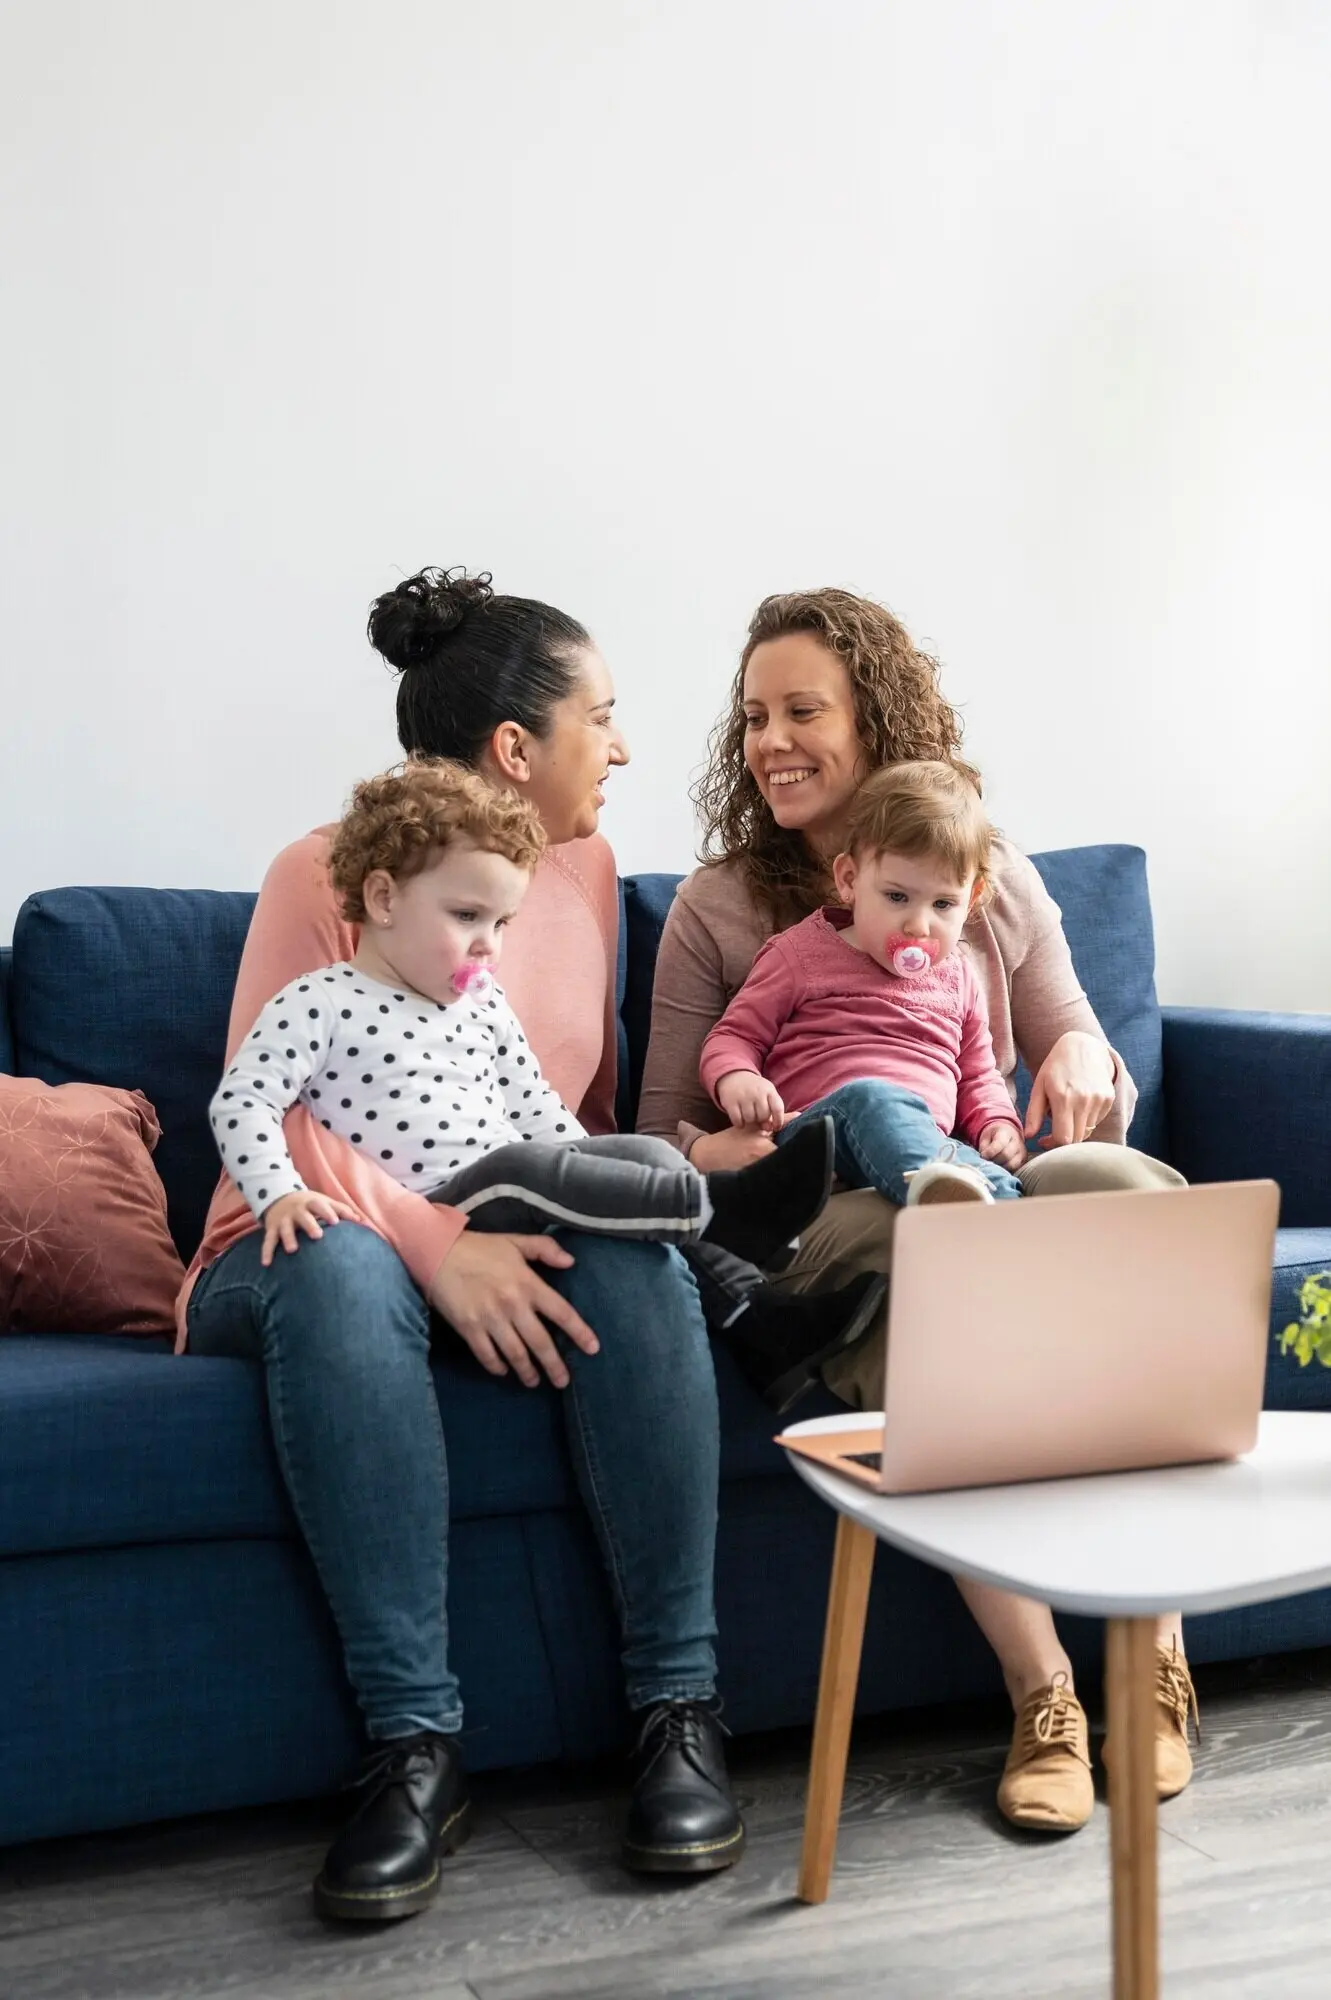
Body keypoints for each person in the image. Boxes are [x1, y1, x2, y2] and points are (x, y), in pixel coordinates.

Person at [184, 567, 778, 1927]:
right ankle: (414, 1745)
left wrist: (689, 1174)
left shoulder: (582, 876)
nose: (620, 748)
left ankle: (677, 1712)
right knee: (338, 1265)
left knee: (632, 1251)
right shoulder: (324, 873)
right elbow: (270, 1119)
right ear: (517, 746)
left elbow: (567, 1123)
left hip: (497, 1215)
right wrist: (439, 1247)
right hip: (298, 1230)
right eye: (600, 718)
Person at [637, 586, 1198, 1836]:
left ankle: (1152, 1653)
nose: (769, 741)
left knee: (1124, 1199)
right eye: (752, 717)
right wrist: (727, 1137)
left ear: (874, 716)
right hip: (823, 1198)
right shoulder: (721, 909)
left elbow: (1073, 1058)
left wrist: (1082, 1062)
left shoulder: (983, 879)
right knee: (929, 1262)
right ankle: (1042, 1690)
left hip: (977, 1165)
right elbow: (654, 1131)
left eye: (800, 711)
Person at [211, 755, 849, 1293]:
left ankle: (748, 1297)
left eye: (501, 923)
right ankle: (724, 1209)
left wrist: (600, 1163)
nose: (489, 945)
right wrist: (278, 1193)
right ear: (383, 899)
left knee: (647, 1154)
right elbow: (241, 1102)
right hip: (434, 1210)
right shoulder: (320, 1001)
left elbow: (536, 1107)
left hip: (508, 1194)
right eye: (467, 916)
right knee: (523, 1167)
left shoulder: (484, 1005)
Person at [701, 761, 1027, 1212]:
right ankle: (950, 1207)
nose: (918, 925)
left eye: (943, 904)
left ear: (970, 899)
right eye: (897, 897)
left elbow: (977, 1075)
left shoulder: (959, 979)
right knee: (872, 1097)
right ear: (849, 880)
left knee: (997, 1180)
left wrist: (997, 1123)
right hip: (818, 1136)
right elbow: (733, 1036)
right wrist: (738, 1078)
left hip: (926, 1144)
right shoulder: (799, 955)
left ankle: (994, 1216)